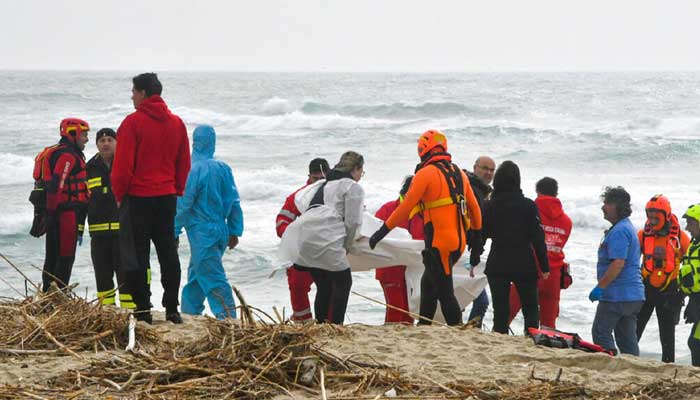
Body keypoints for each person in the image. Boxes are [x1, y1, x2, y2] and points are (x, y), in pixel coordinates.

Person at [370, 130, 482, 326]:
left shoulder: (425, 173)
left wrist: (381, 232)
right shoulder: (459, 174)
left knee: (445, 291)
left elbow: (405, 207)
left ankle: (457, 328)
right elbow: (475, 209)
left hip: (440, 243)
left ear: (423, 149)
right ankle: (424, 326)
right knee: (427, 284)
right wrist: (477, 240)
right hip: (458, 242)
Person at [112, 72, 191, 324]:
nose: (131, 95)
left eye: (134, 91)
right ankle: (172, 308)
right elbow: (184, 163)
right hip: (166, 196)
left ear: (144, 93)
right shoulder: (177, 123)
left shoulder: (132, 123)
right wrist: (176, 188)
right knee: (168, 252)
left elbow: (123, 165)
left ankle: (143, 308)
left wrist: (118, 193)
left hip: (138, 198)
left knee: (137, 255)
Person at [175, 125, 243, 320]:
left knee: (212, 277)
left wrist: (173, 230)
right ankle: (189, 313)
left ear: (194, 141)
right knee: (197, 276)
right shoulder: (223, 168)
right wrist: (234, 230)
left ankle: (228, 318)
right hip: (220, 229)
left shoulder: (191, 168)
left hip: (201, 232)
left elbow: (184, 204)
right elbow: (234, 201)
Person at [295, 151, 365, 325]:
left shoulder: (324, 185)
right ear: (355, 169)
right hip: (327, 240)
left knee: (324, 285)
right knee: (344, 282)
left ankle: (321, 325)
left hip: (306, 239)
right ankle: (336, 326)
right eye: (361, 172)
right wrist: (348, 245)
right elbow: (353, 221)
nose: (360, 176)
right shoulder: (352, 186)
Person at [482, 161, 549, 334]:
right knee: (531, 309)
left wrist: (475, 256)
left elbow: (481, 233)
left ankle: (499, 340)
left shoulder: (490, 205)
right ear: (517, 180)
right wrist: (544, 266)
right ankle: (531, 339)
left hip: (498, 261)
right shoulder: (528, 205)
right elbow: (538, 237)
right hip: (523, 263)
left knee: (501, 311)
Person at [509, 177, 572, 329]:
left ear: (538, 192)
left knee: (507, 313)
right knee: (548, 324)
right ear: (556, 193)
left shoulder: (530, 212)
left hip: (528, 270)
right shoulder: (567, 221)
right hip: (554, 274)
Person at [36, 118, 90, 291]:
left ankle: (48, 295)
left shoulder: (60, 152)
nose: (86, 139)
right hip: (65, 214)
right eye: (84, 135)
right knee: (65, 257)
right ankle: (59, 295)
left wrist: (49, 214)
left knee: (52, 256)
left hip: (56, 213)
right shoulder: (67, 156)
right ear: (73, 133)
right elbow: (57, 184)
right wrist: (52, 214)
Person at [590, 186, 644, 356]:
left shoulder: (620, 231)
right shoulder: (625, 227)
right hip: (633, 295)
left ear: (618, 206)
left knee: (600, 333)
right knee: (627, 340)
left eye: (607, 203)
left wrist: (600, 287)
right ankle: (634, 369)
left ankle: (609, 363)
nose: (603, 207)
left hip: (617, 295)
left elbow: (618, 263)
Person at [635, 195, 690, 363]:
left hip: (670, 291)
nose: (651, 221)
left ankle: (668, 364)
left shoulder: (680, 238)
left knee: (667, 335)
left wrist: (683, 292)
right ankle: (627, 359)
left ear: (666, 215)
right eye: (649, 216)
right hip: (645, 288)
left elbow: (692, 264)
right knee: (634, 329)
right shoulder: (642, 235)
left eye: (655, 217)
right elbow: (630, 261)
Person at [275, 158, 330, 323]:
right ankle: (303, 321)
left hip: (328, 249)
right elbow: (281, 221)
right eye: (315, 179)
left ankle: (330, 322)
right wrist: (294, 236)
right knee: (297, 284)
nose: (319, 182)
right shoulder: (299, 197)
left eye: (322, 178)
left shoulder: (336, 194)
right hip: (303, 251)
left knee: (333, 287)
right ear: (309, 177)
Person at [86, 128, 134, 309]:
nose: (105, 143)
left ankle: (129, 311)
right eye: (102, 140)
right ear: (97, 144)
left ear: (117, 143)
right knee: (102, 274)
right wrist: (79, 228)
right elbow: (83, 200)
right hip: (98, 234)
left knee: (125, 274)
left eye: (110, 140)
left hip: (122, 232)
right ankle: (106, 310)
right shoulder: (89, 168)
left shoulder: (125, 164)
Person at [374, 176, 424, 324]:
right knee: (396, 308)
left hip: (414, 270)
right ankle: (390, 338)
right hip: (390, 269)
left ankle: (404, 342)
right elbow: (373, 234)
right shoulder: (388, 209)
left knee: (410, 311)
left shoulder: (423, 212)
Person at [464, 155, 495, 328]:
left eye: (491, 170)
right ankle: (470, 331)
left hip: (471, 252)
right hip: (463, 250)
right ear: (475, 168)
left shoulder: (484, 191)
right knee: (481, 300)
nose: (488, 173)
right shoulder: (471, 188)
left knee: (476, 298)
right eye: (485, 168)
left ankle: (468, 330)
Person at [679, 204, 700, 366]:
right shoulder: (694, 245)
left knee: (696, 343)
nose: (687, 228)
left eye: (691, 223)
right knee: (695, 343)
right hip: (695, 300)